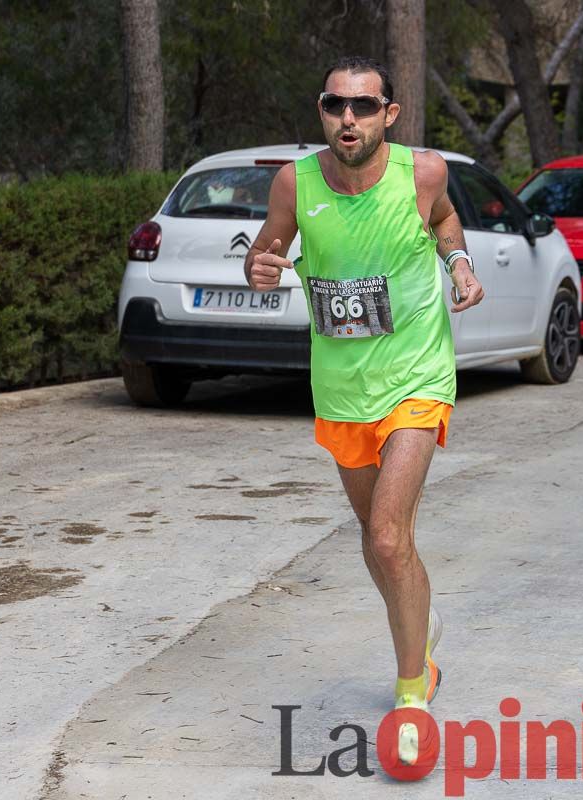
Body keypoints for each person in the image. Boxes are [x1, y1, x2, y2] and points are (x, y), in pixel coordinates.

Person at [244, 56, 484, 767]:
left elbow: (444, 221)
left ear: (389, 114)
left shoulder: (424, 173)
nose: (348, 118)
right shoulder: (297, 182)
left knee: (385, 537)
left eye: (363, 107)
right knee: (382, 542)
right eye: (334, 105)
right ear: (322, 112)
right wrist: (258, 266)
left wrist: (459, 262)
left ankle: (413, 692)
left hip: (416, 376)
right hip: (343, 390)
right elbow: (269, 249)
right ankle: (422, 622)